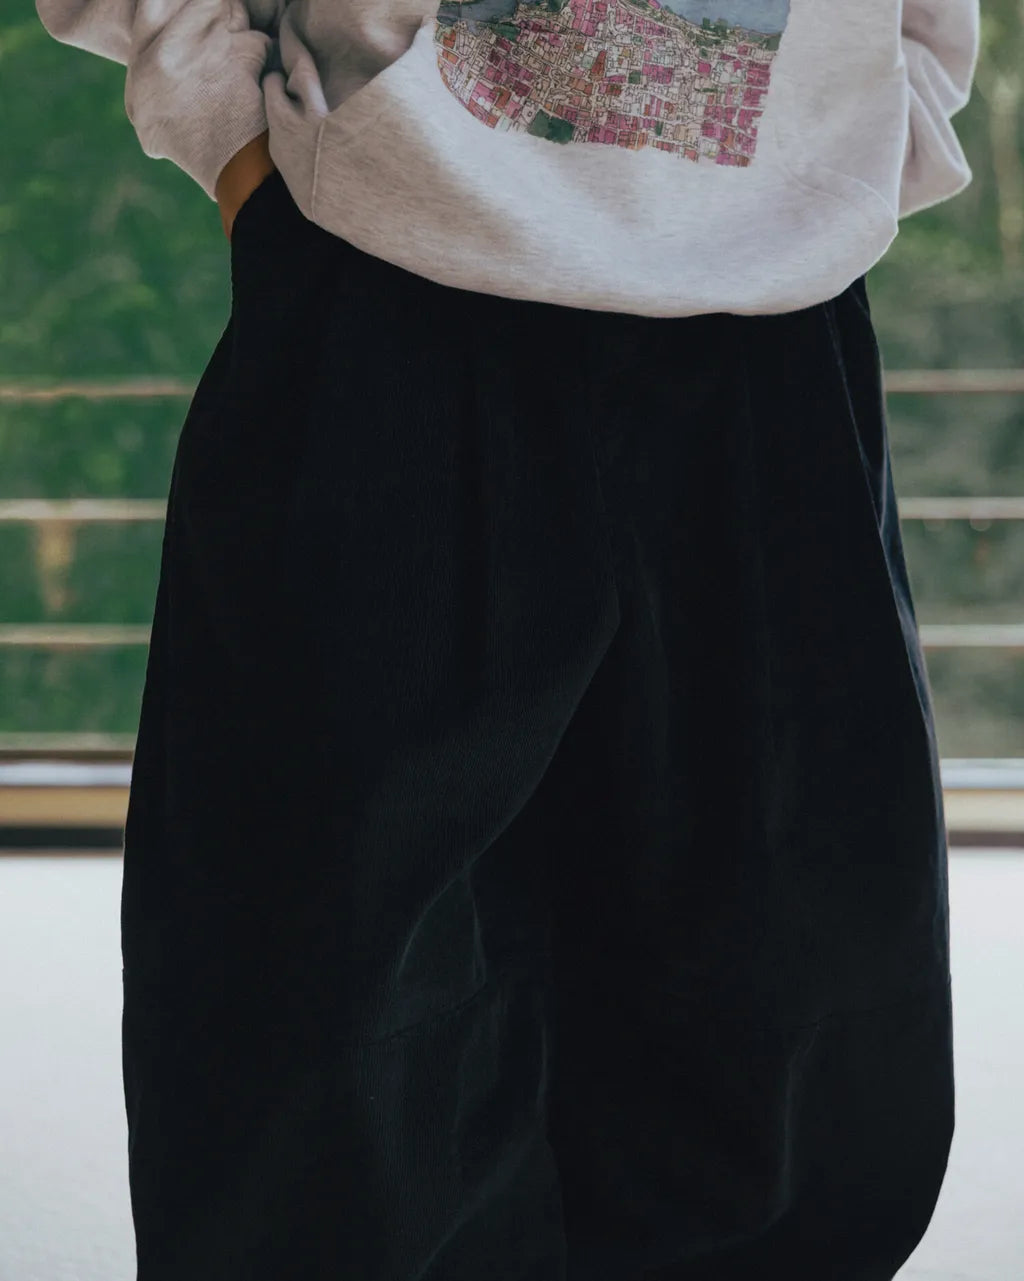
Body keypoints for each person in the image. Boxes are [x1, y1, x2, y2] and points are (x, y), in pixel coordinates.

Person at [34, 0, 979, 1277]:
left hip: (772, 323)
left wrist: (862, 126)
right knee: (325, 1017)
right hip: (388, 274)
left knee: (789, 1001)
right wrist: (237, 151)